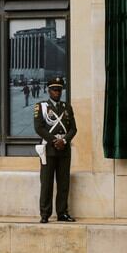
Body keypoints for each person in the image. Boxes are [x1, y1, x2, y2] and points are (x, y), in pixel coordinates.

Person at [34, 76, 77, 223]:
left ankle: (62, 213)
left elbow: (73, 129)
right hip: (48, 149)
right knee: (46, 183)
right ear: (48, 90)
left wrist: (64, 140)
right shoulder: (41, 107)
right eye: (54, 90)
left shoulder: (67, 107)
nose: (56, 93)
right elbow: (38, 128)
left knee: (63, 182)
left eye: (59, 90)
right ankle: (45, 214)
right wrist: (54, 141)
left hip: (64, 149)